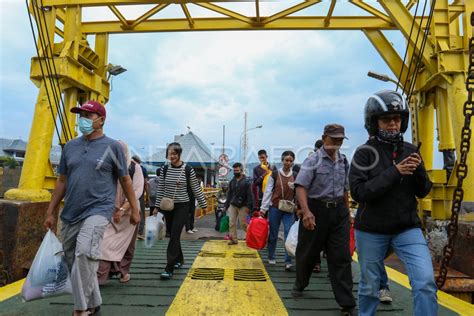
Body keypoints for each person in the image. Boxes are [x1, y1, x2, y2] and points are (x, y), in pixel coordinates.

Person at [43, 100, 140, 316]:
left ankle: (81, 308)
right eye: (81, 116)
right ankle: (94, 301)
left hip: (99, 209)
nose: (83, 121)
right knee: (72, 259)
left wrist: (135, 210)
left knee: (85, 252)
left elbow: (125, 180)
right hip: (71, 212)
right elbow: (62, 181)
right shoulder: (70, 147)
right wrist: (51, 211)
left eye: (88, 116)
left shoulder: (113, 147)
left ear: (101, 120)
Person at [349, 90, 436, 316]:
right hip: (371, 230)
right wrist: (395, 172)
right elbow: (359, 192)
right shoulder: (364, 153)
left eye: (397, 119)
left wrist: (417, 172)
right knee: (369, 286)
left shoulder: (410, 150)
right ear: (374, 122)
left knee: (425, 282)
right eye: (386, 120)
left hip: (407, 228)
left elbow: (423, 190)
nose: (393, 124)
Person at [292, 123, 356, 316]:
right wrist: (306, 212)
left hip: (338, 212)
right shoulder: (312, 160)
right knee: (308, 253)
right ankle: (300, 283)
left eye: (339, 140)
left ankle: (347, 303)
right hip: (316, 210)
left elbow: (345, 190)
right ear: (324, 137)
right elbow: (301, 186)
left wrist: (348, 214)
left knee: (341, 257)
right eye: (333, 139)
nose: (336, 143)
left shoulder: (343, 161)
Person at [154, 143, 207, 280]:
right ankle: (179, 259)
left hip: (182, 206)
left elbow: (195, 188)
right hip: (167, 207)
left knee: (175, 234)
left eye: (174, 154)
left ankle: (169, 267)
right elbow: (161, 189)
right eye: (169, 154)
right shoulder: (165, 169)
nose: (171, 156)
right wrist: (156, 207)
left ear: (179, 154)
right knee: (172, 234)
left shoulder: (188, 169)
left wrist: (203, 204)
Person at [97, 140, 144, 285]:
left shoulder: (134, 168)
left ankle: (124, 271)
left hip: (129, 212)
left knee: (128, 245)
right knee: (105, 243)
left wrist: (123, 209)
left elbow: (136, 191)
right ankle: (101, 276)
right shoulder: (108, 166)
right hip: (110, 211)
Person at [260, 151, 298, 271]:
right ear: (282, 161)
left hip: (289, 209)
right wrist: (263, 209)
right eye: (286, 160)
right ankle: (271, 256)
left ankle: (288, 261)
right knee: (273, 234)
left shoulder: (296, 175)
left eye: (291, 160)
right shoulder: (274, 174)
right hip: (275, 207)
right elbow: (267, 192)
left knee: (288, 232)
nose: (288, 162)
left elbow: (299, 193)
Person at [225, 162, 254, 245]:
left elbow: (250, 195)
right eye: (234, 170)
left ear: (241, 170)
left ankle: (252, 238)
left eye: (237, 170)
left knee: (243, 224)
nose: (235, 172)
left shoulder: (247, 182)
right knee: (231, 223)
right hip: (233, 204)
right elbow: (229, 194)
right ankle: (234, 239)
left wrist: (249, 207)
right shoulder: (232, 181)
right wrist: (226, 206)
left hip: (243, 206)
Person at [132, 155, 149, 240]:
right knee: (141, 212)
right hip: (140, 194)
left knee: (131, 211)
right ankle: (140, 232)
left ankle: (132, 232)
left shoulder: (129, 167)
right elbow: (145, 183)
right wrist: (147, 196)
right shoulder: (143, 169)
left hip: (129, 194)